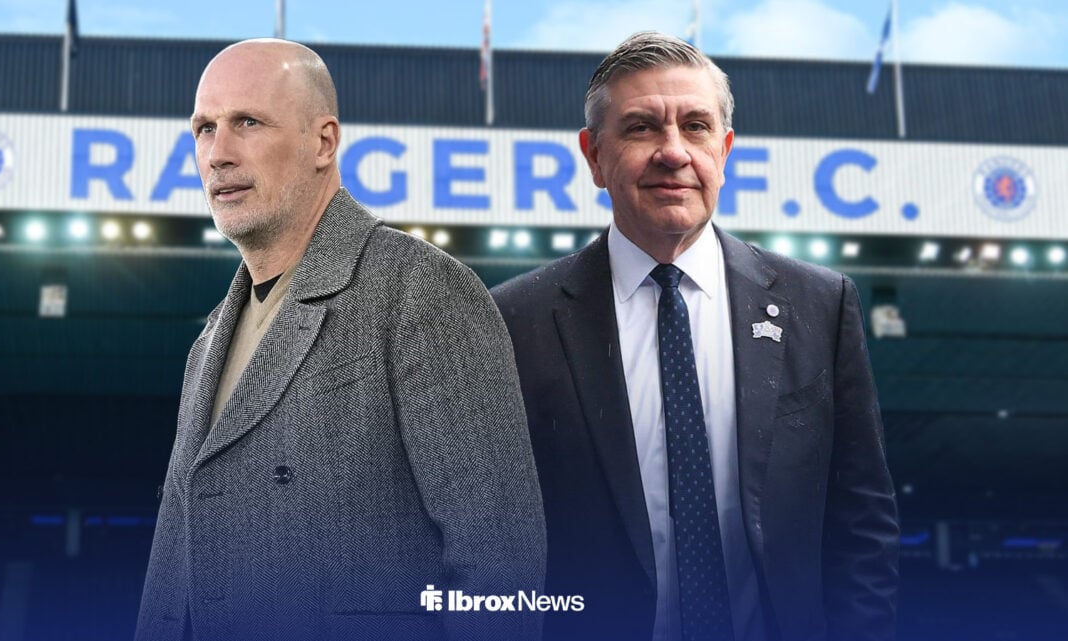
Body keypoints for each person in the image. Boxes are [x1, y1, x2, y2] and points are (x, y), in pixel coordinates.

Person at [491, 32, 899, 641]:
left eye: (697, 126)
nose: (673, 152)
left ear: (725, 150)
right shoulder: (511, 321)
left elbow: (862, 524)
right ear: (594, 156)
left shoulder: (819, 305)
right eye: (641, 128)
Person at [136, 39, 546, 641]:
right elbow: (172, 570)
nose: (217, 154)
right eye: (203, 129)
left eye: (247, 122)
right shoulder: (207, 345)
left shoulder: (422, 290)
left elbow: (501, 565)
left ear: (323, 142)